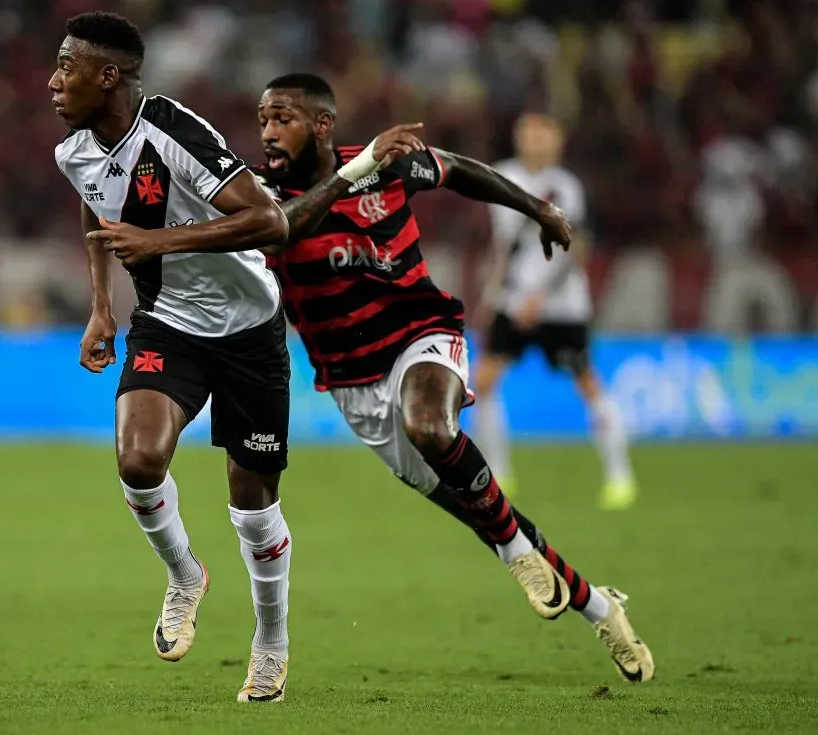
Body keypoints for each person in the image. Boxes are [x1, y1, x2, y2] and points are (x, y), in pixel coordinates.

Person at [105, 73, 654, 683]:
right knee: (474, 504)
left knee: (432, 427)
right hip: (352, 381)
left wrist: (538, 208)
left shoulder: (386, 168)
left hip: (420, 333)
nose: (267, 131)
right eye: (261, 119)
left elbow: (458, 169)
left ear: (321, 124)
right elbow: (288, 225)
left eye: (281, 117)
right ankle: (598, 605)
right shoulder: (258, 198)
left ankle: (521, 555)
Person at [50, 14, 430, 703]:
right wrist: (102, 305)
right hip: (166, 324)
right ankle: (185, 575)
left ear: (107, 76)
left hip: (251, 328)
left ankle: (271, 641)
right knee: (138, 461)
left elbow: (269, 220)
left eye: (66, 68)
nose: (53, 82)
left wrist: (159, 243)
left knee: (252, 505)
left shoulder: (176, 133)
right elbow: (94, 205)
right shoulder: (73, 149)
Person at [476, 113, 638, 511]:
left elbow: (575, 248)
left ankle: (620, 476)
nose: (534, 141)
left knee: (586, 381)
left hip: (562, 306)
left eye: (542, 134)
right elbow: (501, 247)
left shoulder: (566, 186)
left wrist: (540, 298)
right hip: (512, 301)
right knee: (483, 382)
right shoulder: (500, 175)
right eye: (527, 133)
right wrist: (490, 296)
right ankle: (499, 475)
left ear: (558, 141)